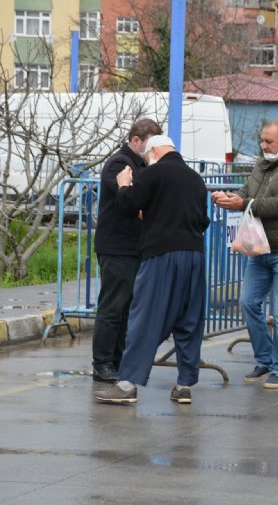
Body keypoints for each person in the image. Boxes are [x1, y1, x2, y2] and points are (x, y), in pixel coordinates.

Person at [93, 135, 210, 405]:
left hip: (161, 255)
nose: (147, 161)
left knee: (144, 317)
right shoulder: (195, 179)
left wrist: (123, 186)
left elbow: (128, 205)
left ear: (155, 151)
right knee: (189, 321)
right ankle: (184, 385)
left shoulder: (154, 173)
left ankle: (126, 384)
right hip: (194, 255)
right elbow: (202, 220)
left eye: (146, 157)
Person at [211, 120, 278, 389]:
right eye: (262, 140)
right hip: (260, 248)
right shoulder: (261, 165)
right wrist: (229, 197)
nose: (263, 145)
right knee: (248, 302)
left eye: (268, 141)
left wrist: (245, 203)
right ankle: (265, 360)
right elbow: (248, 193)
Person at [91, 118, 160, 383]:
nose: (152, 150)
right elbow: (130, 202)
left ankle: (116, 361)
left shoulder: (140, 164)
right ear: (136, 141)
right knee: (113, 306)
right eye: (149, 144)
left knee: (125, 308)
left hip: (133, 247)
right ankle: (103, 362)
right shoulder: (120, 164)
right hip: (118, 246)